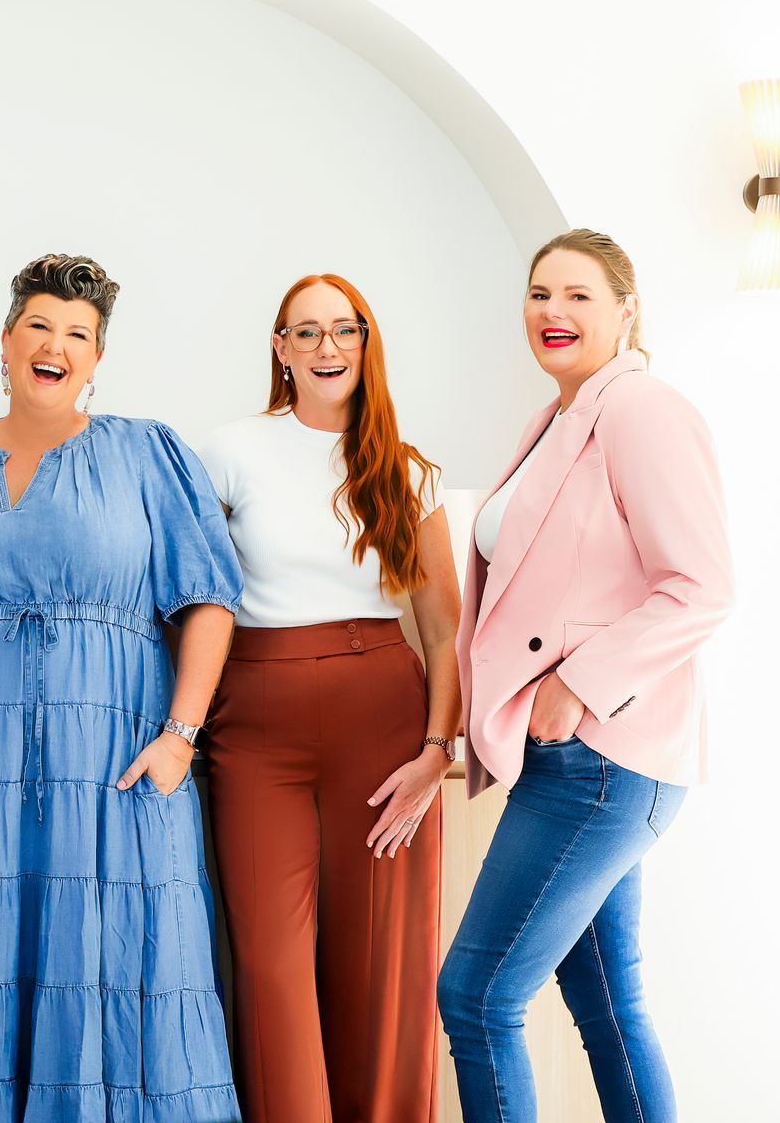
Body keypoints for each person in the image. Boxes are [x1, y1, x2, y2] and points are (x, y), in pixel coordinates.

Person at [0, 254, 244, 1122]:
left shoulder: (148, 454)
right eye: (39, 326)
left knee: (116, 963)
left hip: (116, 763)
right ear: (5, 343)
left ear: (98, 358)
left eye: (78, 334)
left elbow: (210, 601)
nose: (55, 345)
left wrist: (180, 737)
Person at [436, 230, 734, 1123]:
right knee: (606, 1005)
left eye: (577, 296)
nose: (552, 313)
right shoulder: (561, 419)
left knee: (478, 998)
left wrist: (579, 686)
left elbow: (703, 586)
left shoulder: (641, 410)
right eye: (538, 295)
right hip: (576, 761)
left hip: (600, 756)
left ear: (626, 310)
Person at [199, 273, 460, 1123]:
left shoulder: (407, 469)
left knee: (378, 965)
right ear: (279, 350)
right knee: (271, 967)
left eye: (342, 331)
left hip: (382, 724)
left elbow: (442, 630)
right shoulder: (231, 451)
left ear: (365, 343)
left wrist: (435, 752)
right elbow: (191, 596)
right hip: (256, 725)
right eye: (304, 333)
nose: (325, 348)